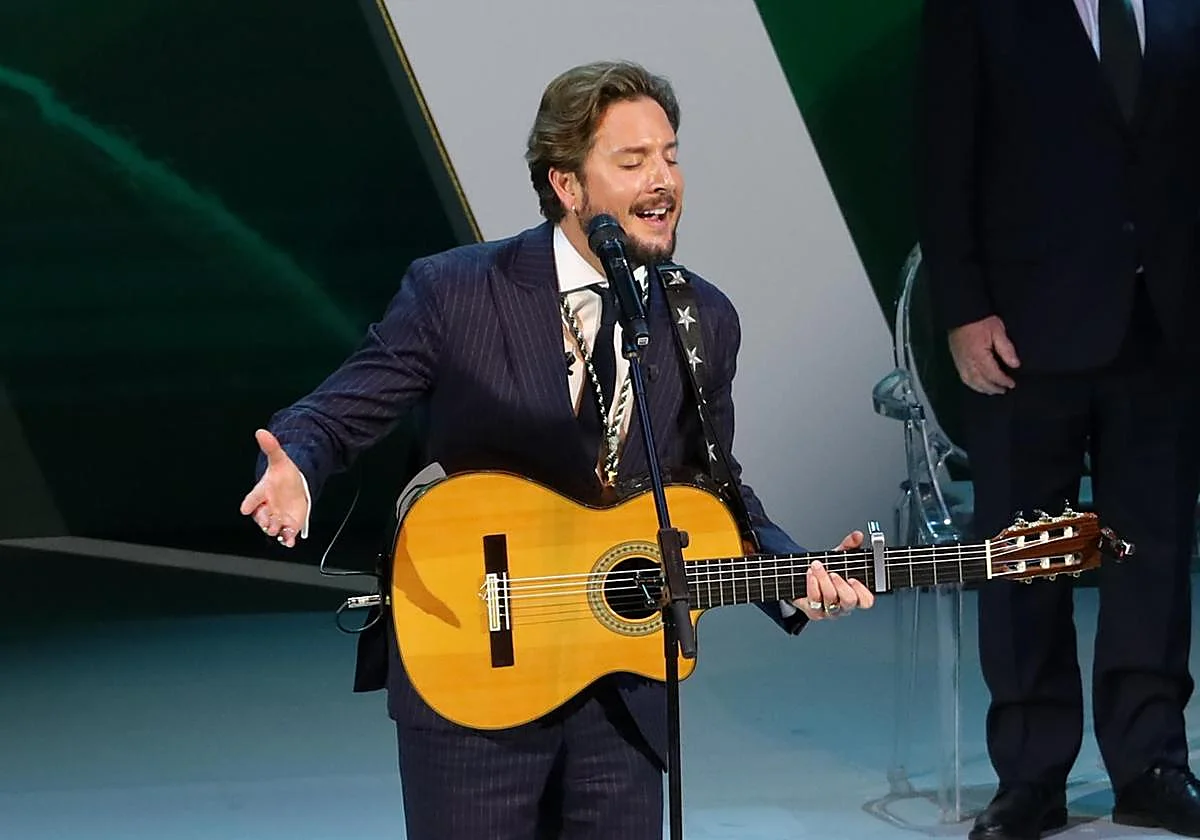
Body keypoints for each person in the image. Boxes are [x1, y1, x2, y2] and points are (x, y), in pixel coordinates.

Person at [238, 61, 875, 839]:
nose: (663, 180)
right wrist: (296, 466)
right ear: (567, 185)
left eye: (670, 156)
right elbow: (335, 413)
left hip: (621, 690)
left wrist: (791, 570)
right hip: (474, 668)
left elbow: (715, 483)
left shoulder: (701, 317)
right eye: (633, 161)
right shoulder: (457, 292)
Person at [917, 2, 1200, 838]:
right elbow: (942, 155)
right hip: (1023, 329)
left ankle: (1151, 763)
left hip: (1166, 323)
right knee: (1026, 556)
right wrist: (963, 309)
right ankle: (1031, 774)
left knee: (1154, 555)